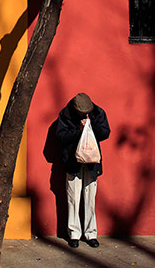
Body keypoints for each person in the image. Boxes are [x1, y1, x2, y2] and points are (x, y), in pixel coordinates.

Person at [55, 92, 110, 248]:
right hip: (73, 163)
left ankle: (91, 233)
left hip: (92, 163)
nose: (84, 113)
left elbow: (105, 132)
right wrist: (78, 131)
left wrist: (90, 127)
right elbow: (61, 137)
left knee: (90, 198)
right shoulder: (65, 116)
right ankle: (74, 234)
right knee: (73, 198)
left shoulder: (98, 113)